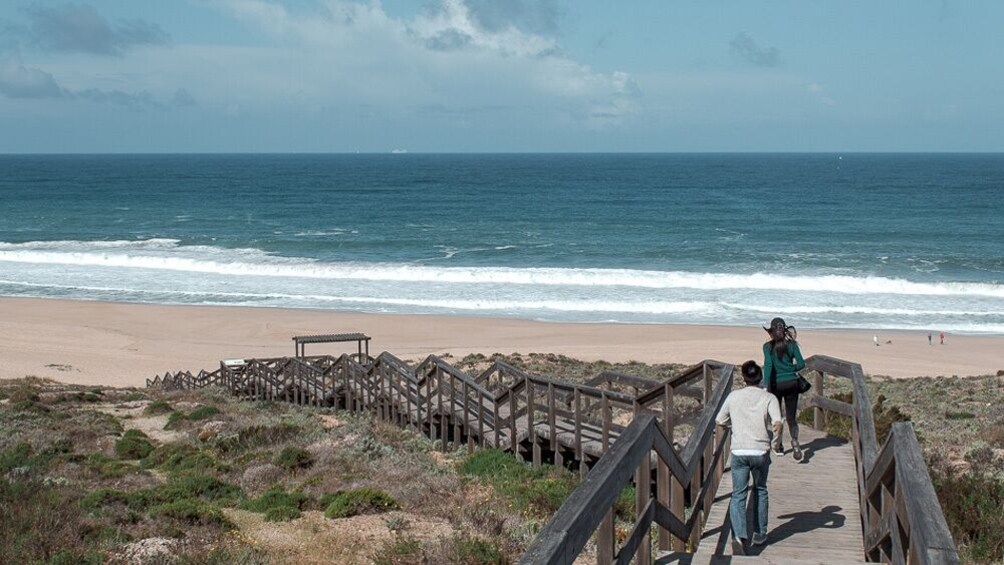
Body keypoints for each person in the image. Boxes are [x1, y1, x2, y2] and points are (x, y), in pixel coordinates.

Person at [716, 360, 782, 554]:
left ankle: (738, 535)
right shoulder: (769, 397)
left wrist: (733, 427)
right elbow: (777, 423)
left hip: (739, 452)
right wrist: (775, 444)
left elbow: (720, 420)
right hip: (760, 451)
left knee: (738, 494)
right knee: (760, 489)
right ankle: (760, 533)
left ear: (744, 378)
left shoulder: (733, 397)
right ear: (760, 377)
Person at [763, 317, 807, 460]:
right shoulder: (792, 345)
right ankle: (795, 442)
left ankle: (779, 446)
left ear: (771, 331)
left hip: (776, 385)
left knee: (777, 417)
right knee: (791, 417)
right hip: (792, 383)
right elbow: (801, 364)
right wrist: (790, 369)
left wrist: (765, 385)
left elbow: (768, 366)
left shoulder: (767, 347)